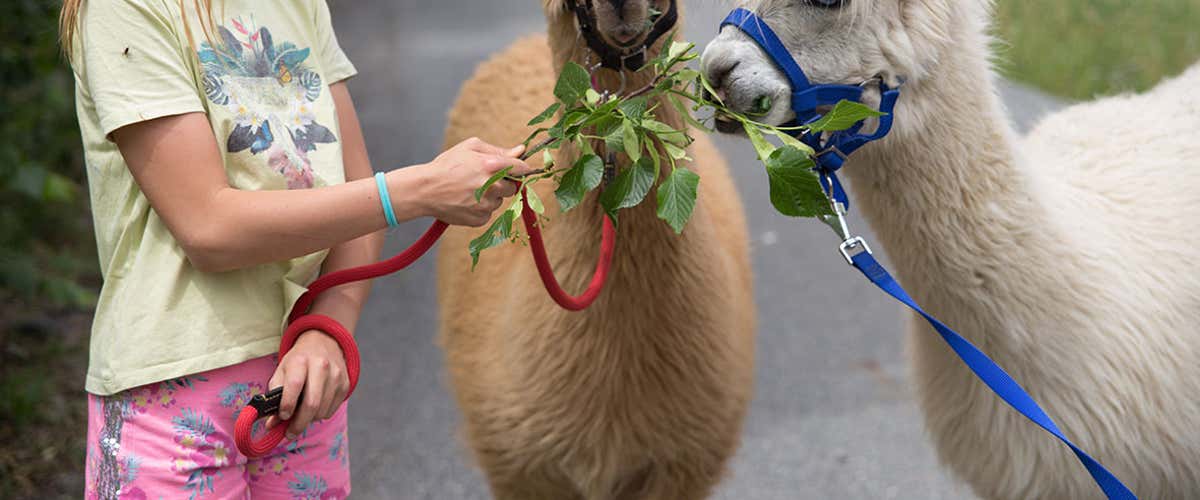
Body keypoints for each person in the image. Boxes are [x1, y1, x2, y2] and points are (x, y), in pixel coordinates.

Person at [60, 0, 531, 497]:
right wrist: (419, 190)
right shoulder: (123, 10)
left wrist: (329, 327)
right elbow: (208, 228)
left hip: (303, 389)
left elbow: (355, 196)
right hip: (173, 400)